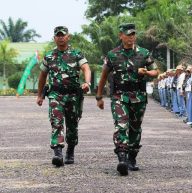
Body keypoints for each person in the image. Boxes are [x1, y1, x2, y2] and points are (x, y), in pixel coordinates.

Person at [96, 23, 158, 176]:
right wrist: (99, 96)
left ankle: (132, 157)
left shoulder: (144, 53)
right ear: (121, 35)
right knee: (121, 125)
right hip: (119, 96)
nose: (131, 37)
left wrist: (147, 73)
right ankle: (122, 158)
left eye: (133, 34)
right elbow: (104, 76)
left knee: (135, 128)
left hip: (138, 96)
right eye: (128, 34)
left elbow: (156, 71)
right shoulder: (112, 55)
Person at [36, 26, 91, 167]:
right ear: (54, 38)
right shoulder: (49, 56)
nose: (60, 37)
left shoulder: (76, 54)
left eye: (63, 35)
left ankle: (70, 150)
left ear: (68, 37)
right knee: (56, 122)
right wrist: (40, 95)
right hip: (55, 95)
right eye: (58, 35)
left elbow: (86, 68)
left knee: (72, 125)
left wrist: (87, 82)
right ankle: (58, 153)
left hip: (73, 95)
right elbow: (42, 76)